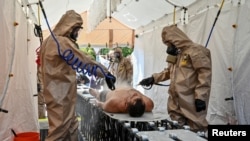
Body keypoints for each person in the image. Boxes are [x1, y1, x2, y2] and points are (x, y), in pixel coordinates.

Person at [40, 10, 115, 141]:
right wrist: (105, 73)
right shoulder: (61, 42)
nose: (77, 34)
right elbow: (83, 60)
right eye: (76, 30)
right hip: (60, 95)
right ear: (70, 27)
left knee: (71, 126)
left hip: (59, 93)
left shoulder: (49, 41)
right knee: (59, 132)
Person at [139, 25, 212, 132]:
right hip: (175, 99)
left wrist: (200, 96)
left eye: (170, 43)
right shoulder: (175, 54)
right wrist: (153, 78)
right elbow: (168, 72)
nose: (169, 47)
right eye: (167, 44)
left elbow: (205, 74)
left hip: (191, 99)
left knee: (197, 127)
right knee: (177, 128)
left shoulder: (196, 51)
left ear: (177, 39)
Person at [89, 87, 154, 117]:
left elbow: (102, 105)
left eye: (133, 98)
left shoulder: (115, 103)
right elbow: (150, 104)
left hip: (107, 94)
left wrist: (97, 102)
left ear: (126, 105)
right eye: (138, 96)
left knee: (100, 94)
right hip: (118, 88)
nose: (135, 94)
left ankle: (96, 93)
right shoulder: (148, 104)